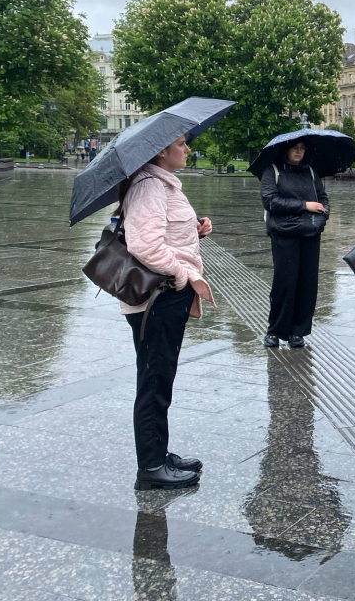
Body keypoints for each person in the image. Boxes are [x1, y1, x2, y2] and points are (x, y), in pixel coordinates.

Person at [120, 134, 214, 491]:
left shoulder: (162, 184)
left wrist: (195, 230)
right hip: (158, 298)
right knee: (154, 382)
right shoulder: (148, 186)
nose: (188, 149)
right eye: (182, 143)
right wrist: (179, 275)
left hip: (166, 294)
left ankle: (159, 452)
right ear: (161, 149)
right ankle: (151, 467)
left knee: (160, 377)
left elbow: (164, 234)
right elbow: (144, 244)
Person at [261, 138, 329, 349]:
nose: (299, 152)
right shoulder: (272, 171)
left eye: (302, 148)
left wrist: (323, 215)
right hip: (284, 234)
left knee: (307, 283)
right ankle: (275, 330)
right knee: (285, 282)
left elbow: (324, 198)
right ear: (286, 149)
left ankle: (297, 331)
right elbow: (270, 201)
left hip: (310, 233)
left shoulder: (310, 172)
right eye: (295, 148)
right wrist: (304, 205)